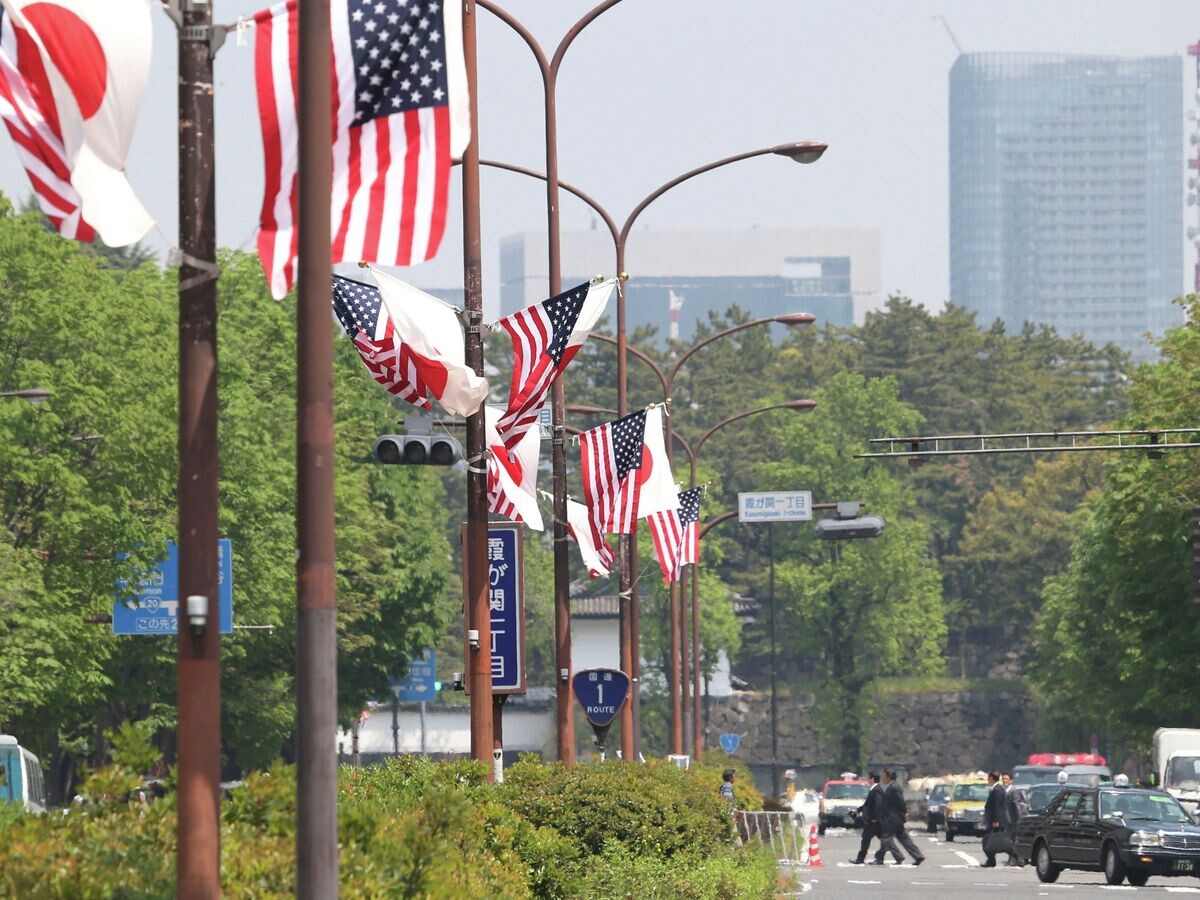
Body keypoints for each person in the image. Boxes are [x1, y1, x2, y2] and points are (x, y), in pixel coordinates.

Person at [871, 770, 925, 866]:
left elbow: (900, 801)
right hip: (895, 818)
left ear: (889, 777)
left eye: (884, 776)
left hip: (893, 818)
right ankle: (917, 856)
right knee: (903, 838)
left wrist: (904, 812)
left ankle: (896, 857)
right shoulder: (891, 787)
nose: (883, 778)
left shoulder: (894, 787)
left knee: (885, 838)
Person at [850, 772, 885, 864]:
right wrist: (857, 810)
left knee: (866, 839)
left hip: (873, 821)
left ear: (872, 779)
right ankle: (894, 856)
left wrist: (874, 817)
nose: (867, 780)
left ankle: (861, 859)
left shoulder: (877, 790)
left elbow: (878, 805)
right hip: (873, 820)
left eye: (869, 778)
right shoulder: (873, 789)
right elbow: (867, 804)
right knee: (883, 840)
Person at [982, 771, 1014, 867]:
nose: (987, 780)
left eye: (988, 778)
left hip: (997, 821)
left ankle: (1015, 855)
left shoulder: (997, 790)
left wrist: (996, 820)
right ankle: (991, 860)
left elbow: (997, 807)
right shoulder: (996, 789)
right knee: (993, 840)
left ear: (991, 778)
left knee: (997, 841)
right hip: (995, 820)